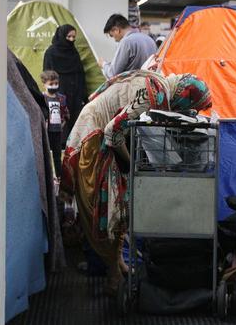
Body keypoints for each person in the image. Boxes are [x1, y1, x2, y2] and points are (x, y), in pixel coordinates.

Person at [60, 70, 212, 295]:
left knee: (121, 206)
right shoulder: (154, 96)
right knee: (105, 210)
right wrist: (133, 164)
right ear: (182, 97)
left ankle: (118, 262)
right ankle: (113, 276)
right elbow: (113, 132)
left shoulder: (158, 83)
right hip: (93, 138)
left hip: (102, 134)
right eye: (190, 106)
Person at [43, 24, 87, 137]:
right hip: (59, 92)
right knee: (60, 122)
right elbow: (47, 74)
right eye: (69, 37)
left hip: (75, 93)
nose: (71, 40)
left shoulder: (73, 52)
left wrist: (82, 95)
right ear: (62, 36)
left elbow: (80, 73)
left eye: (73, 37)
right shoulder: (51, 53)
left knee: (74, 122)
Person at [98, 14, 157, 80]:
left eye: (112, 35)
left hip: (133, 87)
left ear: (116, 30)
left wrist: (103, 64)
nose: (114, 39)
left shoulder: (126, 42)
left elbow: (113, 74)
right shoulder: (150, 40)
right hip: (150, 86)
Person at [41, 70, 69, 176]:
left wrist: (61, 125)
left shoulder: (61, 98)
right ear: (44, 84)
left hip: (57, 131)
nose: (54, 86)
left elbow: (66, 113)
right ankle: (47, 176)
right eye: (51, 84)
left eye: (56, 83)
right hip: (46, 132)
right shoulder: (42, 98)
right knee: (46, 155)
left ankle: (59, 176)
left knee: (57, 156)